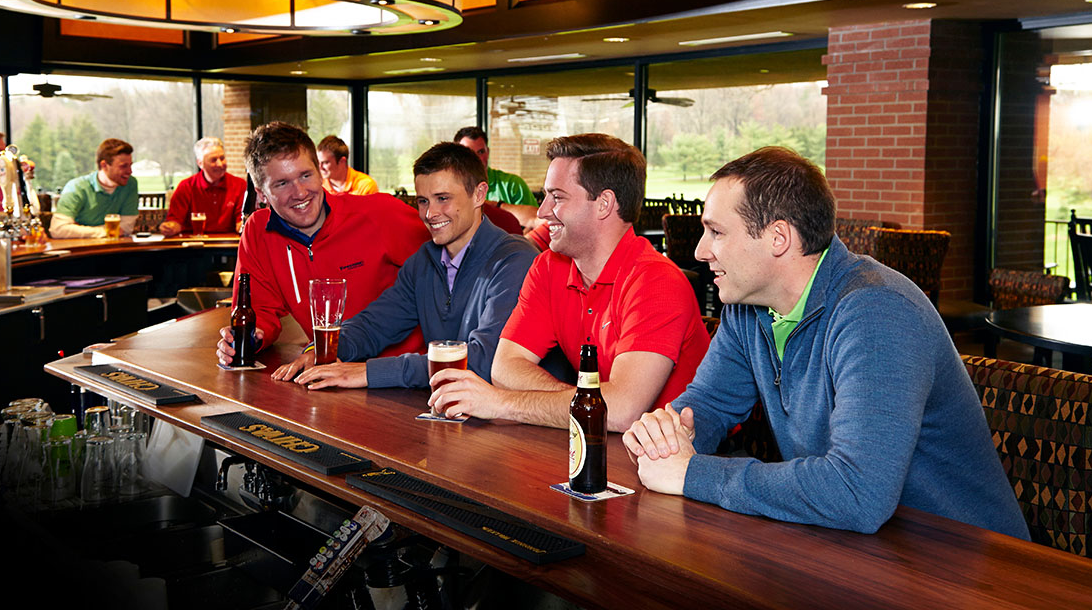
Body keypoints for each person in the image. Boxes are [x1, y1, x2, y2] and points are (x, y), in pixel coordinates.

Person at [622, 147, 1029, 539]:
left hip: (969, 565)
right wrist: (664, 438)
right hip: (857, 545)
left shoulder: (877, 311)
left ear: (778, 237)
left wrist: (693, 474)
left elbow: (857, 492)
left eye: (716, 232)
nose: (699, 251)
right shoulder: (749, 307)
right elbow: (707, 407)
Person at [428, 134, 711, 431]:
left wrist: (502, 403)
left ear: (604, 204)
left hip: (685, 458)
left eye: (557, 197)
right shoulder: (549, 266)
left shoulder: (656, 281)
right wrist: (589, 401)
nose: (541, 212)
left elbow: (621, 411)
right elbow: (505, 368)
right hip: (597, 444)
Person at [272, 142, 537, 389]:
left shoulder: (515, 259)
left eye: (443, 198)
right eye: (423, 201)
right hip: (454, 414)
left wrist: (366, 372)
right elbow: (374, 325)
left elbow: (481, 362)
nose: (430, 214)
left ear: (479, 194)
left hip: (522, 427)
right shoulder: (424, 260)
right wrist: (318, 352)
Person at [215, 122, 430, 366]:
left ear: (319, 172)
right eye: (282, 183)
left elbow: (452, 265)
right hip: (329, 373)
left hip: (404, 375)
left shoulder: (380, 213)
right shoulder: (257, 231)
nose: (300, 192)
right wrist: (250, 337)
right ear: (261, 193)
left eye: (305, 176)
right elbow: (260, 311)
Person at [50, 138, 138, 238]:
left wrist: (77, 229)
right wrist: (104, 231)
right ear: (104, 165)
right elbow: (58, 229)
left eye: (130, 165)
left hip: (115, 249)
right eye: (123, 166)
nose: (130, 171)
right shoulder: (77, 187)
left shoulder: (130, 184)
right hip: (82, 250)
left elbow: (126, 227)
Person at [454, 126, 538, 228]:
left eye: (481, 152)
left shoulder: (513, 185)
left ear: (488, 152)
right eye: (469, 153)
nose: (476, 158)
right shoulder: (450, 189)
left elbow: (537, 222)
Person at [159, 137, 246, 235]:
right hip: (194, 246)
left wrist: (244, 226)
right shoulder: (186, 187)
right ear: (200, 163)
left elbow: (241, 222)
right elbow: (175, 222)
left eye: (222, 158)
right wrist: (170, 228)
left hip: (228, 246)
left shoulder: (240, 185)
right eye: (213, 160)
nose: (220, 164)